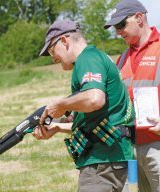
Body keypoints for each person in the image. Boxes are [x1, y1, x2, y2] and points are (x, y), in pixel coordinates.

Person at [32, 19, 135, 192]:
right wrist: (57, 127)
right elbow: (97, 121)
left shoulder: (87, 58)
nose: (52, 58)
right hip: (115, 160)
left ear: (64, 41)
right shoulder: (97, 57)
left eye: (51, 50)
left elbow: (95, 99)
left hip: (101, 166)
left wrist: (61, 104)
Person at [104, 0, 160, 191]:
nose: (118, 32)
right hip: (131, 149)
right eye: (115, 27)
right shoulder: (122, 58)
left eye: (121, 25)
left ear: (139, 18)